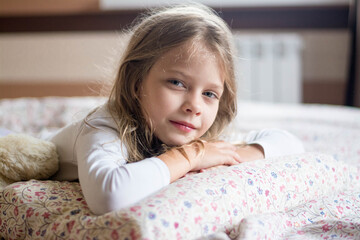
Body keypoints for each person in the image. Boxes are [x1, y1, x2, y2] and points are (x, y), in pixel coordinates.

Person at [47, 3, 304, 215]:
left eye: (209, 94)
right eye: (177, 83)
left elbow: (290, 145)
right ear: (137, 81)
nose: (195, 106)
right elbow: (109, 197)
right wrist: (190, 155)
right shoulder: (105, 124)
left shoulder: (192, 130)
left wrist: (231, 155)